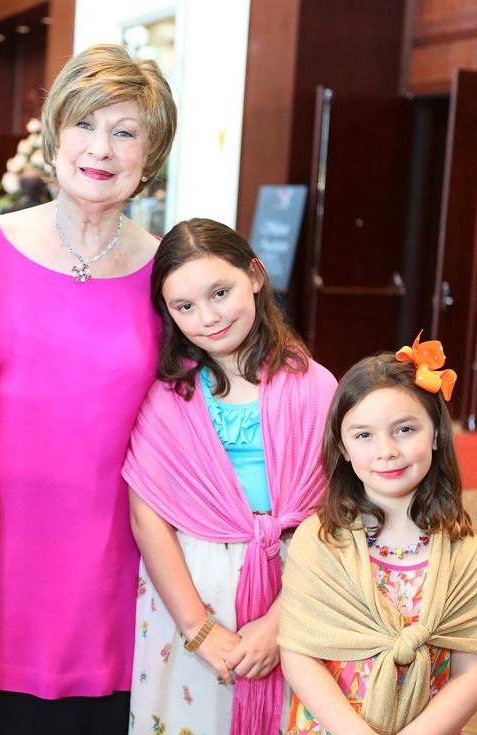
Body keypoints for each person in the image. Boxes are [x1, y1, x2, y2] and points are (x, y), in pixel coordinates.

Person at [0, 43, 177, 732]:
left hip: (113, 561)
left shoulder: (166, 272)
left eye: (125, 131)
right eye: (85, 124)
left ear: (150, 155)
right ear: (55, 134)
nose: (101, 148)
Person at [122, 219, 337, 735]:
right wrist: (199, 629)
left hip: (300, 583)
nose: (209, 317)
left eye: (220, 292)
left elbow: (339, 510)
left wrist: (281, 621)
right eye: (185, 306)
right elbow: (148, 517)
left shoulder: (315, 388)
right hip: (192, 590)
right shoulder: (167, 401)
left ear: (255, 276)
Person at [279, 334, 477, 734]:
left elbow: (472, 674)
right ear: (342, 447)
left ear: (437, 433)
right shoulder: (319, 541)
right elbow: (299, 654)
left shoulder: (467, 554)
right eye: (363, 435)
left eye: (404, 430)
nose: (386, 451)